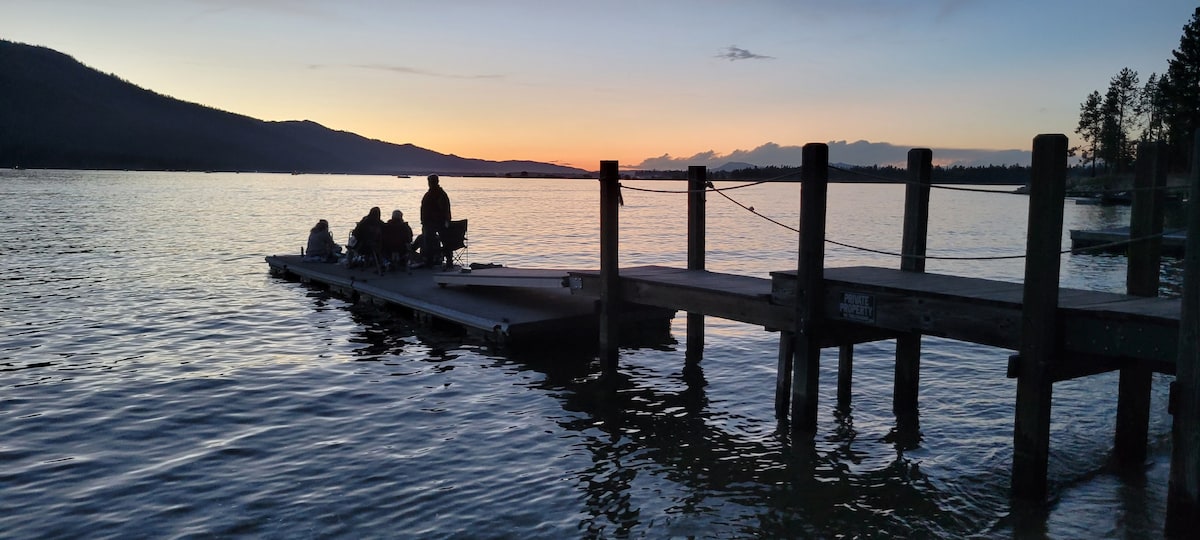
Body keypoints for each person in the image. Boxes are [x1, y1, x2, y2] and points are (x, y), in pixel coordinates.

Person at [420, 174, 453, 269]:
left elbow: (444, 209)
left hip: (435, 223)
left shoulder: (438, 195)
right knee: (439, 241)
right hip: (433, 222)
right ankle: (443, 260)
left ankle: (431, 261)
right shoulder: (438, 194)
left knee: (431, 241)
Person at [351, 206, 386, 274]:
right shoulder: (381, 224)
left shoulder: (364, 222)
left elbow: (355, 234)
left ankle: (359, 262)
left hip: (362, 247)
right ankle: (379, 263)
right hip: (376, 247)